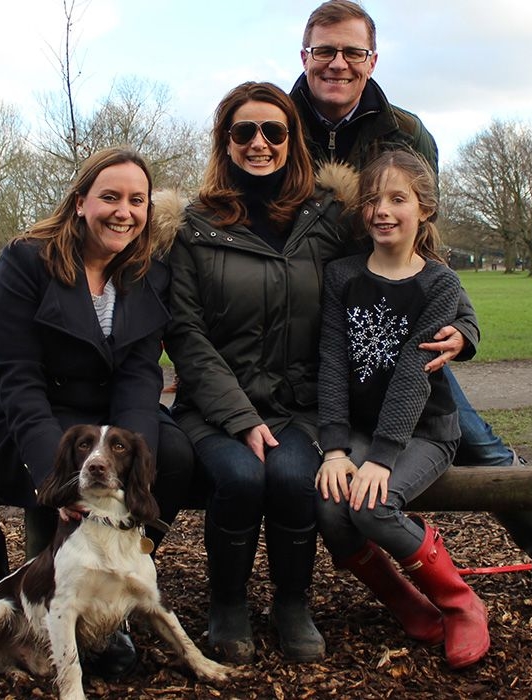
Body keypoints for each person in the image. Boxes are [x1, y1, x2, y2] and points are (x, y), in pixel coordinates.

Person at [291, 0, 532, 599]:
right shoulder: (276, 122)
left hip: (398, 312)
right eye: (324, 51)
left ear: (372, 59)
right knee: (310, 449)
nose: (337, 63)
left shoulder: (403, 132)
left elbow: (426, 240)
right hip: (312, 308)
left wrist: (464, 324)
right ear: (305, 56)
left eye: (352, 52)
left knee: (467, 432)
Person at [0, 147, 194, 678]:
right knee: (65, 487)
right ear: (79, 203)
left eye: (137, 201)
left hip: (106, 418)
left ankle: (111, 603)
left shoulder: (146, 271)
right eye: (110, 197)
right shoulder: (26, 260)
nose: (124, 212)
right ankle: (51, 611)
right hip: (31, 414)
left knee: (179, 459)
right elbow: (16, 377)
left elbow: (141, 374)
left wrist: (130, 466)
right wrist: (62, 478)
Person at [161, 81, 358, 664]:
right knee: (243, 479)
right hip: (216, 410)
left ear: (292, 139)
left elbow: (402, 263)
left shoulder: (327, 220)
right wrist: (239, 416)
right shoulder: (195, 229)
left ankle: (293, 602)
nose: (259, 143)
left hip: (298, 406)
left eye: (274, 130)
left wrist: (460, 325)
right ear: (226, 141)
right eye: (244, 131)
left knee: (295, 477)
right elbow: (186, 334)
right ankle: (228, 603)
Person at [316, 149, 488, 669]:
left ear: (424, 210)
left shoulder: (439, 284)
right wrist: (335, 449)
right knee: (329, 504)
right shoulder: (342, 275)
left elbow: (415, 376)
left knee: (372, 506)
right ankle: (402, 599)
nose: (382, 210)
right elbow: (331, 362)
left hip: (424, 433)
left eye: (398, 199)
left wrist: (382, 457)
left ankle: (460, 604)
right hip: (362, 434)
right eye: (372, 199)